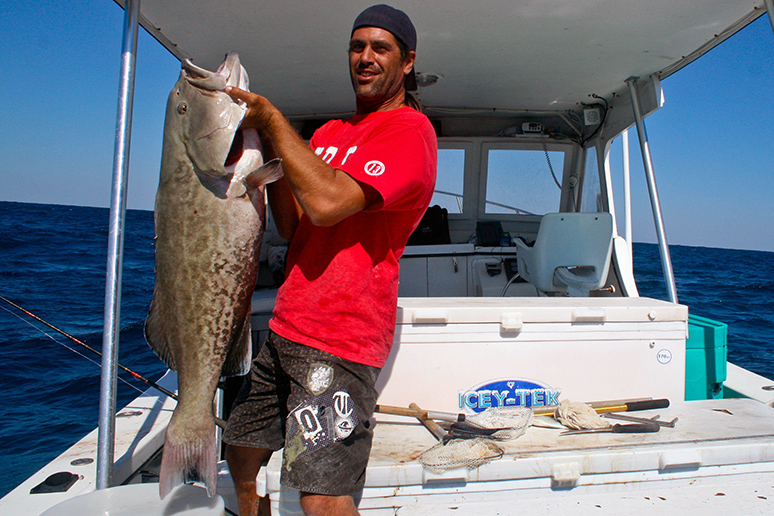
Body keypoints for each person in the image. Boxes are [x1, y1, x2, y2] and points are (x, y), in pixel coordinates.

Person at [221, 4, 438, 516]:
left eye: (379, 48)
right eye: (356, 46)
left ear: (406, 62)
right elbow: (297, 226)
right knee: (241, 446)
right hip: (286, 322)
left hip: (340, 339)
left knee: (320, 494)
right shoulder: (327, 135)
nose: (365, 57)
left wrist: (272, 120)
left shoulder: (411, 134)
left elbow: (327, 203)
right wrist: (263, 164)